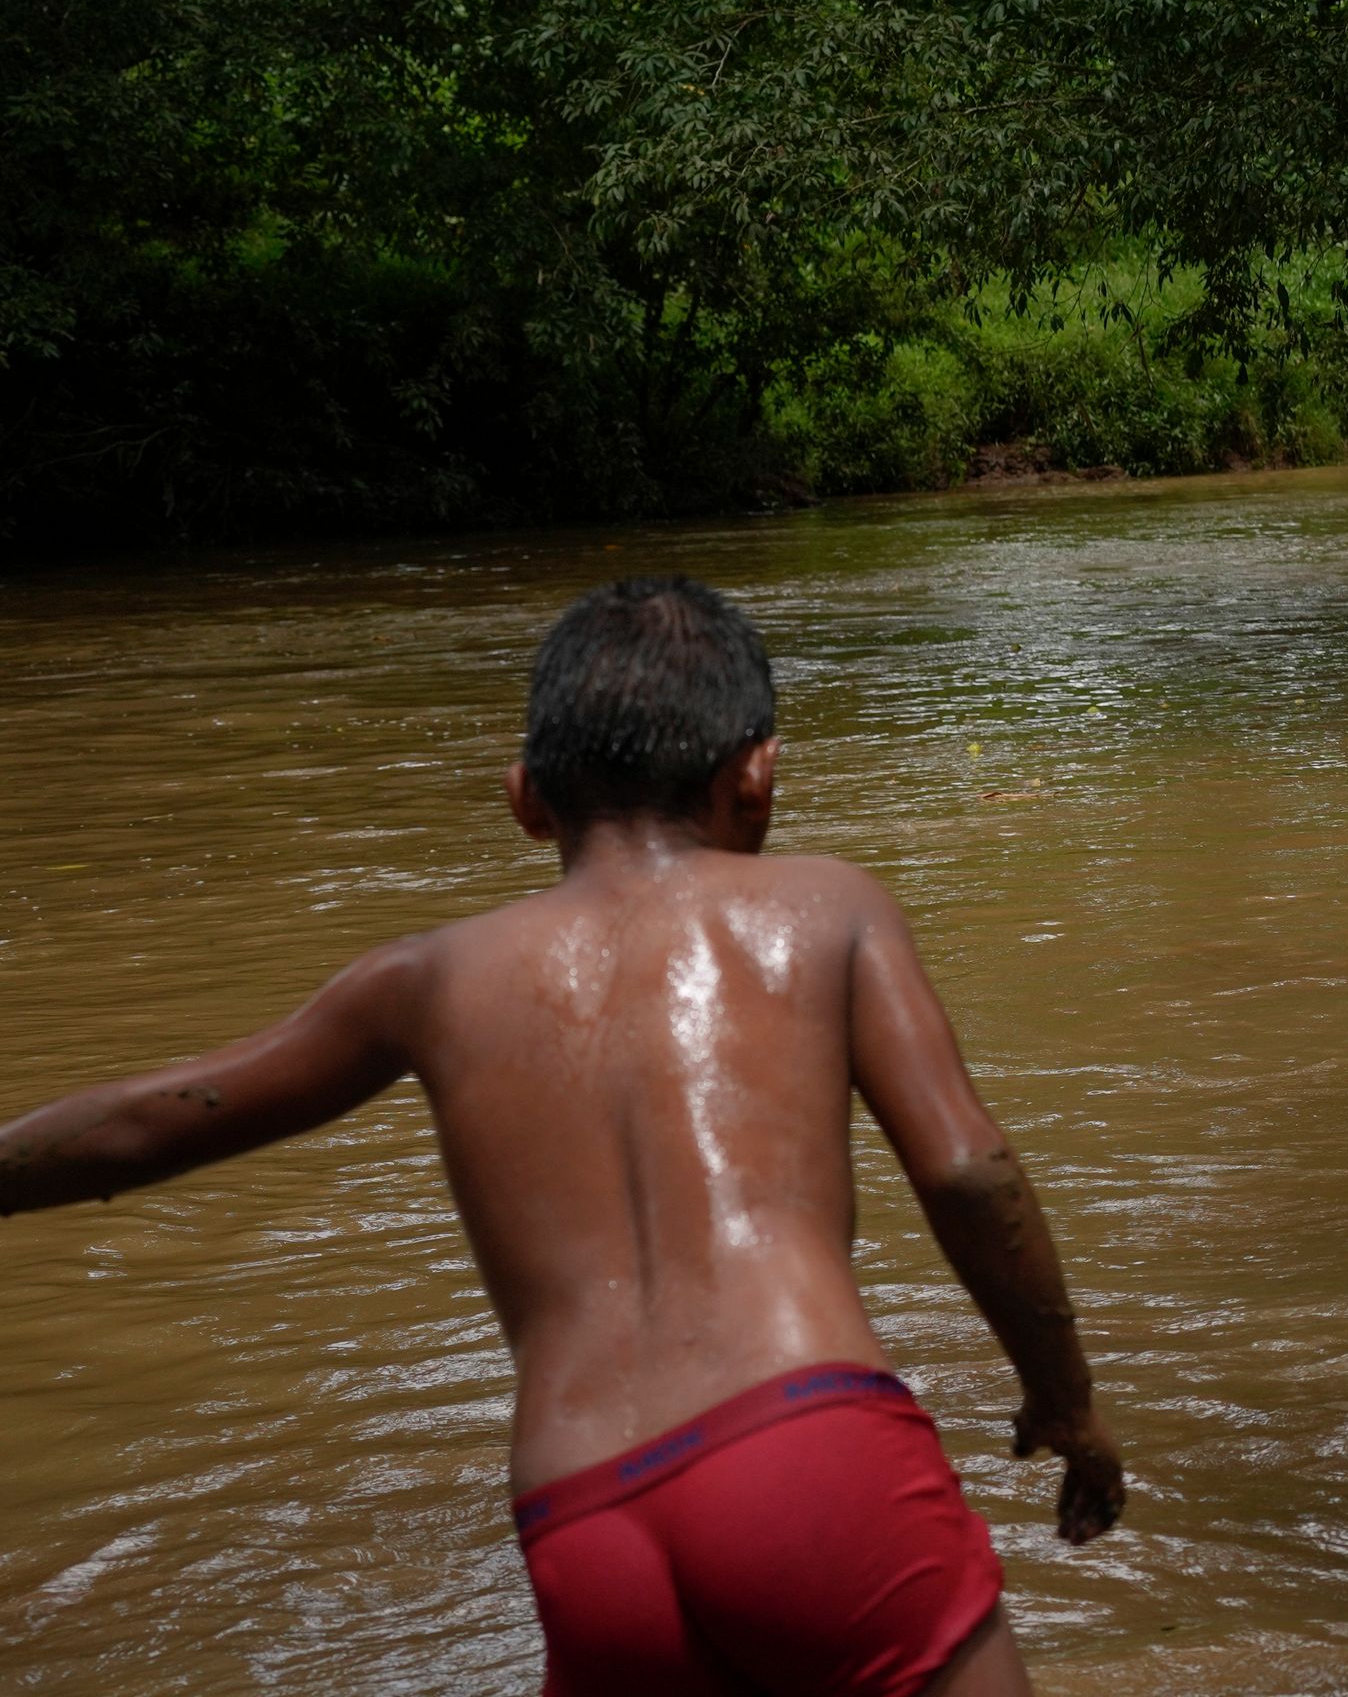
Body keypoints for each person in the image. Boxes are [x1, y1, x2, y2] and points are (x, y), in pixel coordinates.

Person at [0, 577, 1125, 1697]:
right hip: (805, 1444)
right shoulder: (827, 906)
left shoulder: (426, 979)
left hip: (583, 1516)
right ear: (761, 774)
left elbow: (153, 1120)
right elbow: (970, 1172)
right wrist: (1064, 1401)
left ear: (525, 797)